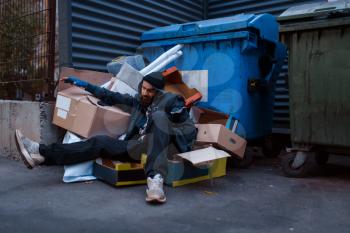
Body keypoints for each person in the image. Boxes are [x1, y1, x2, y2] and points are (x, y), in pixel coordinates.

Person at [15, 72, 197, 204]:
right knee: (99, 142)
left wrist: (174, 120)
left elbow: (189, 130)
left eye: (150, 91)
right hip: (137, 146)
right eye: (143, 88)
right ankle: (40, 154)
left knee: (160, 118)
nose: (144, 93)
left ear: (158, 92)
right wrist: (82, 84)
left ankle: (155, 182)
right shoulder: (139, 101)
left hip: (161, 146)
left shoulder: (172, 101)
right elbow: (111, 96)